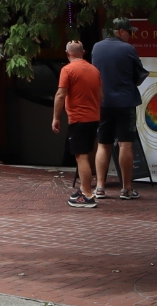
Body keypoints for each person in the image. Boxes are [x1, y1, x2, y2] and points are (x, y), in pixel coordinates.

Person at [90, 17, 146, 200]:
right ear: (121, 32)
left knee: (103, 144)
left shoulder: (96, 47)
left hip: (103, 102)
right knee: (125, 143)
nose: (131, 36)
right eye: (129, 32)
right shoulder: (128, 49)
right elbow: (139, 74)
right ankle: (127, 188)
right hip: (125, 102)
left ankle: (99, 187)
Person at [51, 38, 103, 208]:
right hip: (93, 117)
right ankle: (83, 189)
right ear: (83, 52)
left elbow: (60, 95)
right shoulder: (94, 70)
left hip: (78, 118)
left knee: (81, 157)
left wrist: (56, 117)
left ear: (67, 54)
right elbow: (101, 95)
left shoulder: (67, 70)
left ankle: (87, 194)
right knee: (87, 153)